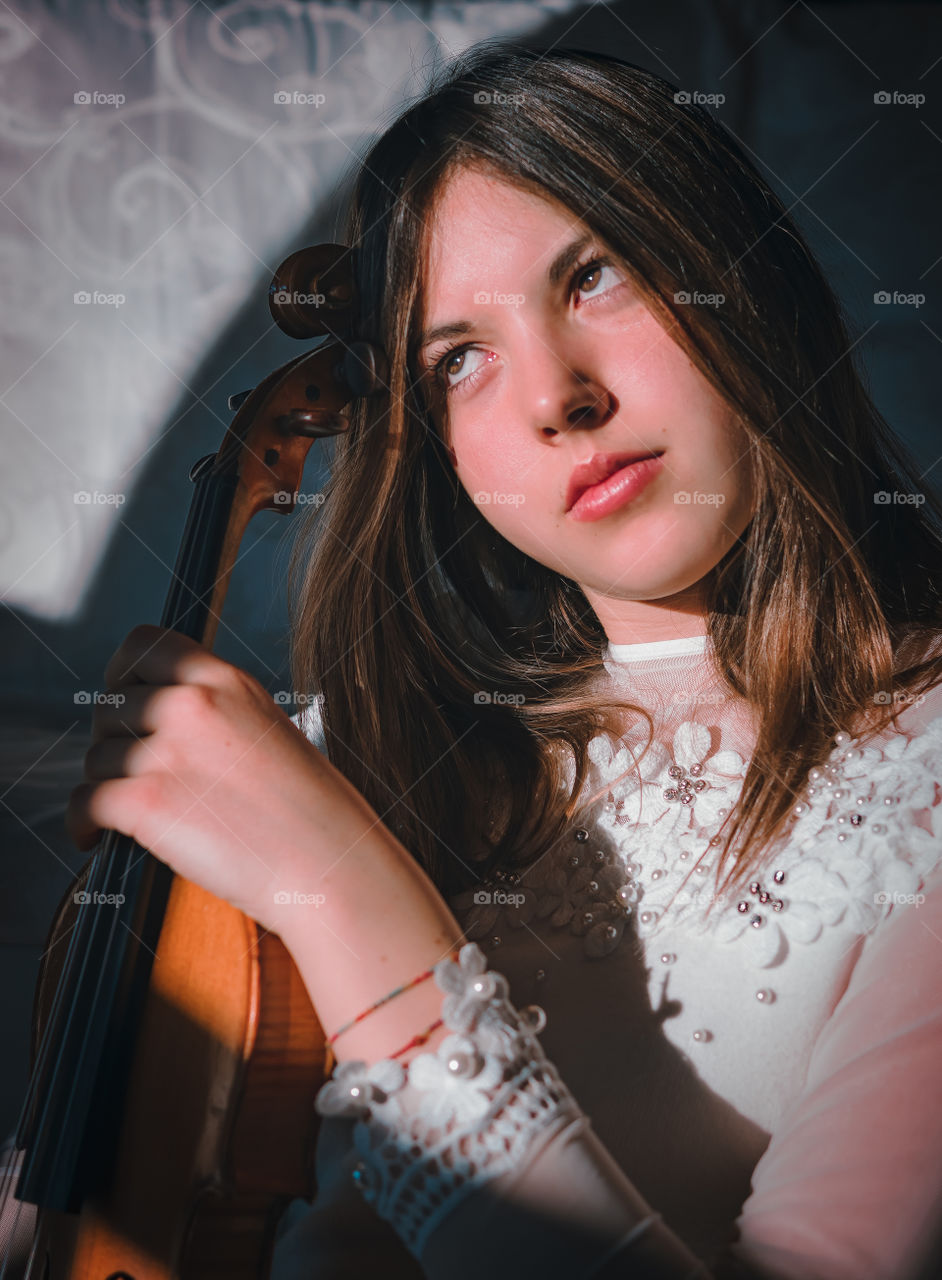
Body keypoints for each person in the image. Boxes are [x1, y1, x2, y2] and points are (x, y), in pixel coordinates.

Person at [59, 41, 942, 1280]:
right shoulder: (380, 760)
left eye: (598, 278)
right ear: (443, 456)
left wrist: (343, 887)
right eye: (457, 358)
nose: (555, 396)